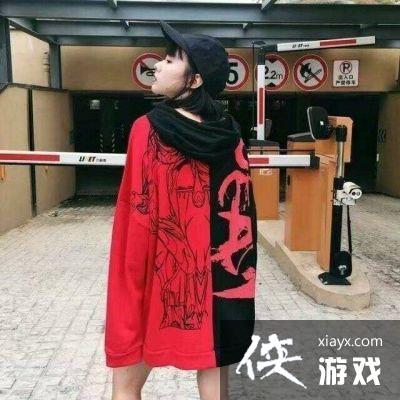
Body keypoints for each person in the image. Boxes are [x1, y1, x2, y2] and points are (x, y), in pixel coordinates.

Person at [104, 21, 258, 400]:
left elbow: (136, 215)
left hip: (159, 281)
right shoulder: (231, 135)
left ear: (195, 80)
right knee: (215, 382)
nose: (158, 65)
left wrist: (129, 292)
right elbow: (242, 217)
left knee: (125, 388)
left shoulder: (147, 130)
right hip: (218, 288)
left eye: (171, 60)